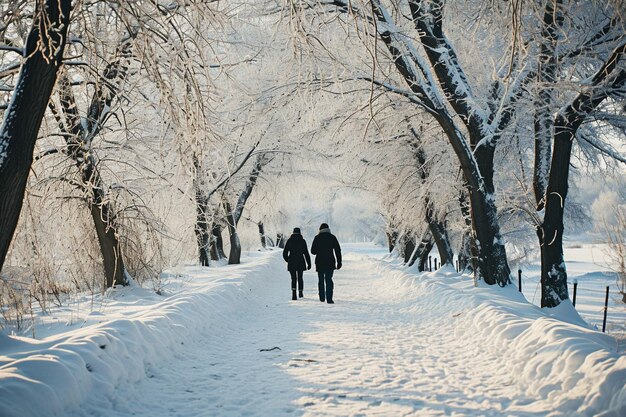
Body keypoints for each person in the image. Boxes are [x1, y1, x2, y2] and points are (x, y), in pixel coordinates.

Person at [310, 223, 342, 304]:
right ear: (328, 229)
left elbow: (313, 251)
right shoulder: (332, 237)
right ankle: (329, 299)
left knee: (320, 280)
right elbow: (337, 250)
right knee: (329, 280)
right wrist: (339, 262)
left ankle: (322, 297)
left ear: (320, 229)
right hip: (330, 262)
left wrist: (319, 249)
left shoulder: (317, 238)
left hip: (320, 262)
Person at [282, 227, 311, 300]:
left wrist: (288, 260)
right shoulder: (302, 241)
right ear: (300, 233)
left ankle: (294, 294)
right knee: (300, 277)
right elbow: (306, 253)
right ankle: (300, 292)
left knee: (293, 278)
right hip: (301, 261)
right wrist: (309, 263)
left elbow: (285, 253)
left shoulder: (289, 241)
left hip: (292, 261)